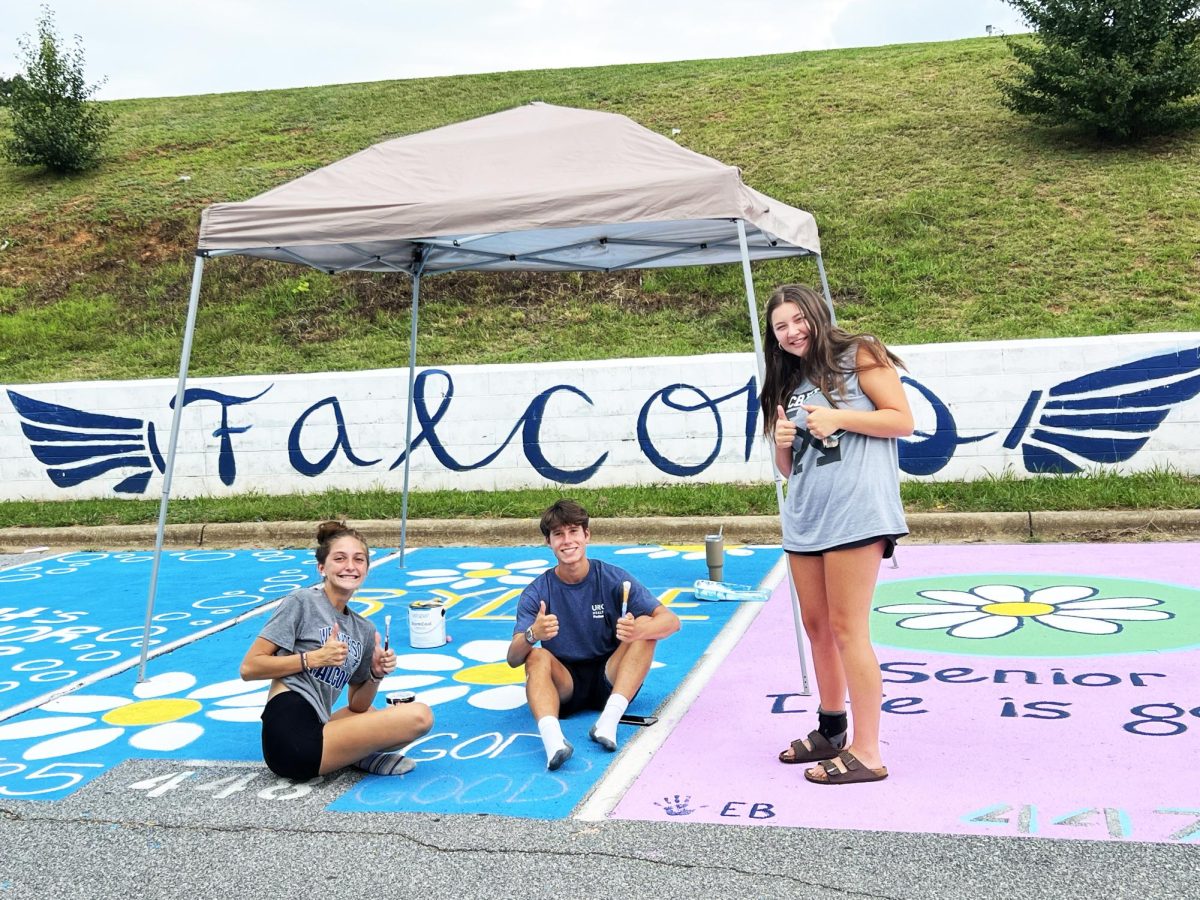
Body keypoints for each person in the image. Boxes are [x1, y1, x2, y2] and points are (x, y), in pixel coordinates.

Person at [760, 284, 913, 785]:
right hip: (806, 516)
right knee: (817, 627)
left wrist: (838, 416)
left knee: (849, 630)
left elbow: (901, 420)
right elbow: (790, 469)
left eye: (798, 319)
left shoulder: (859, 353)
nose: (792, 331)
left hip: (856, 513)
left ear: (817, 314)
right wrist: (783, 445)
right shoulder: (784, 380)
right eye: (781, 326)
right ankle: (832, 729)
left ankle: (868, 752)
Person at [240, 521, 433, 780]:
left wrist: (375, 675)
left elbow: (358, 705)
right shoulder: (303, 601)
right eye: (339, 559)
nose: (350, 566)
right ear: (322, 567)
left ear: (366, 569)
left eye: (359, 559)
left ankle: (357, 756)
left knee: (372, 712)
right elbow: (250, 667)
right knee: (420, 716)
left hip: (318, 725)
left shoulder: (363, 629)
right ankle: (361, 756)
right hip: (290, 737)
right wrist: (313, 659)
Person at [507, 499, 680, 770]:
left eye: (574, 531)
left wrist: (639, 629)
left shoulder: (612, 578)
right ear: (548, 542)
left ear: (587, 535)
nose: (567, 541)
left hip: (611, 678)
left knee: (647, 625)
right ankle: (554, 743)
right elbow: (513, 658)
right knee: (536, 655)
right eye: (558, 534)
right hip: (564, 684)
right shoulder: (537, 591)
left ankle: (608, 722)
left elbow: (671, 621)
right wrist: (532, 634)